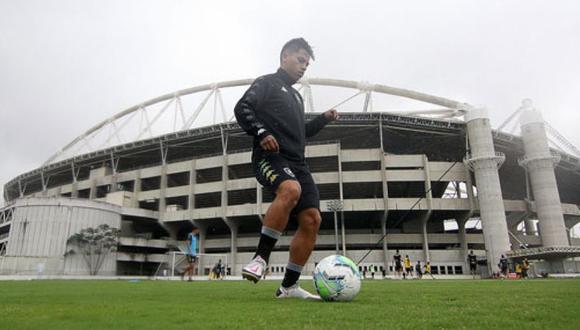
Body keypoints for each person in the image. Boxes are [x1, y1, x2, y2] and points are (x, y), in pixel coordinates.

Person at [234, 38, 338, 300]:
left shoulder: (296, 96)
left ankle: (289, 287)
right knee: (290, 189)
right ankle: (260, 258)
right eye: (300, 60)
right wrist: (261, 132)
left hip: (297, 163)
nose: (304, 67)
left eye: (307, 63)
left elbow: (302, 133)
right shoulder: (267, 82)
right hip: (270, 157)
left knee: (312, 219)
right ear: (284, 57)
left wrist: (323, 119)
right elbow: (242, 107)